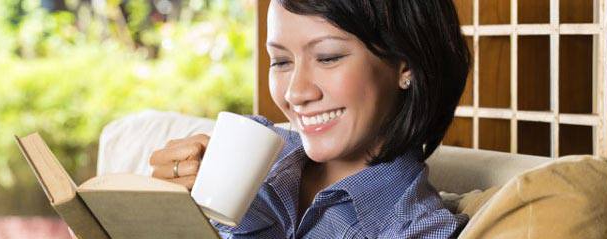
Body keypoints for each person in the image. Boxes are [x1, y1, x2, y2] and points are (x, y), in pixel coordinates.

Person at [149, 0, 470, 238]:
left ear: (406, 65)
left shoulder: (416, 229)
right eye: (281, 61)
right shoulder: (249, 150)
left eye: (328, 57)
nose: (295, 92)